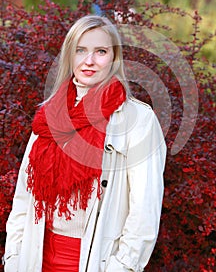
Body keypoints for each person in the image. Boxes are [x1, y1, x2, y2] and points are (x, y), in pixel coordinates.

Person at [3, 15, 166, 272]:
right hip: (34, 259)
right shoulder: (49, 115)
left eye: (100, 51)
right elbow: (24, 196)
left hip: (94, 261)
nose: (89, 61)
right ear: (70, 55)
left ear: (114, 58)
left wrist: (123, 267)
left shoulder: (138, 120)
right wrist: (13, 258)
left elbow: (145, 209)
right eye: (80, 50)